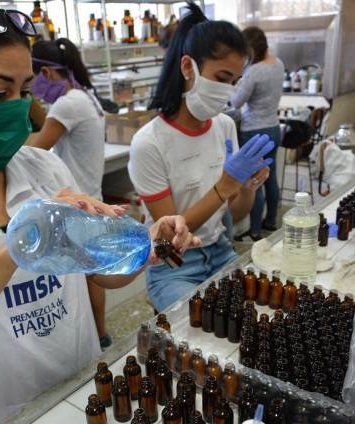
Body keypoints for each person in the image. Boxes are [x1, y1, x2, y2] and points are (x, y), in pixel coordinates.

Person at [0, 6, 199, 423]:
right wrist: (12, 250)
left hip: (83, 394)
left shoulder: (44, 169)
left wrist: (146, 246)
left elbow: (98, 272)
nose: (17, 109)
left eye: (23, 92)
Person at [128, 3, 275, 312]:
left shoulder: (224, 126)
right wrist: (225, 185)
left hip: (220, 251)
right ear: (187, 68)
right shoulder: (149, 143)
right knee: (203, 325)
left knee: (260, 310)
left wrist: (247, 185)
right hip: (174, 263)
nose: (229, 92)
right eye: (221, 77)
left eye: (234, 81)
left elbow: (234, 214)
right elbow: (171, 237)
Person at [27, 39, 111, 348]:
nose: (32, 89)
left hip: (77, 200)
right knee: (92, 271)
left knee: (87, 275)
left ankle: (97, 335)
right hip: (90, 191)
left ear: (46, 72)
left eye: (30, 80)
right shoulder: (85, 96)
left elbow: (37, 148)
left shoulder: (67, 104)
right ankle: (100, 333)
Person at [231, 26, 284, 241]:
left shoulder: (253, 72)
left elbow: (236, 103)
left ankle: (254, 230)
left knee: (254, 182)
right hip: (273, 127)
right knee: (270, 178)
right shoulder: (278, 63)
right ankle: (270, 222)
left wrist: (235, 86)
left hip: (254, 131)